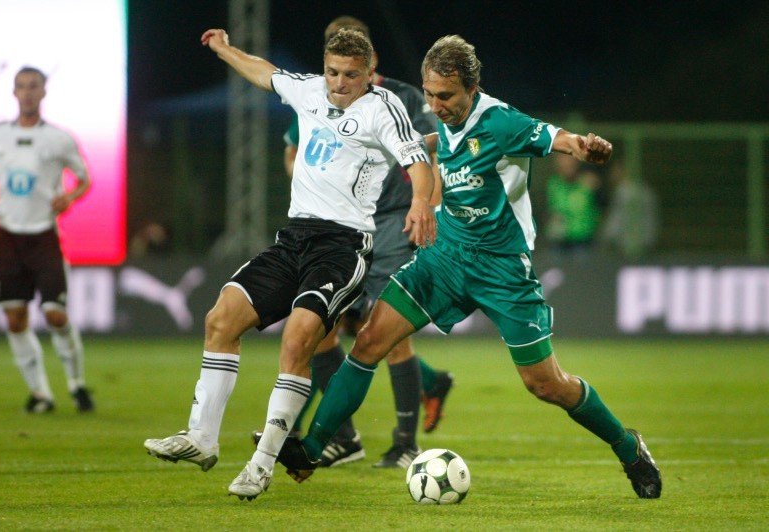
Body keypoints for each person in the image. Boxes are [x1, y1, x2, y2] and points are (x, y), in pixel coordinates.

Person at [277, 35, 662, 500]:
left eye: (446, 96)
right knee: (369, 341)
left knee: (545, 384)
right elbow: (443, 144)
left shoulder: (501, 121)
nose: (435, 104)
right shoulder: (442, 123)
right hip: (445, 258)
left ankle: (628, 446)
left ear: (472, 88)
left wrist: (584, 147)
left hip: (502, 269)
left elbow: (557, 138)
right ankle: (312, 449)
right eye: (429, 94)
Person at [144, 27, 437, 501]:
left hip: (342, 247)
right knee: (221, 319)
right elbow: (265, 74)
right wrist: (224, 50)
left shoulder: (383, 109)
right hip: (294, 238)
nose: (340, 83)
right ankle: (201, 438)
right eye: (333, 72)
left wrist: (420, 203)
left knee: (299, 339)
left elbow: (418, 161)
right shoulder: (309, 90)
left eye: (351, 75)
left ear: (368, 74)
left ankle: (263, 465)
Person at [266, 15, 454, 471]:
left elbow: (432, 155)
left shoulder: (406, 98)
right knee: (327, 329)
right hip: (341, 227)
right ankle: (345, 436)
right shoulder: (319, 97)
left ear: (370, 60)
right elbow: (294, 149)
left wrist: (428, 206)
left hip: (393, 223)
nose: (343, 74)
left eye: (354, 63)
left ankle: (404, 441)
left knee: (384, 327)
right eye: (335, 63)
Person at [0, 66, 95, 414]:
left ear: (43, 92)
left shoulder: (59, 138)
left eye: (33, 86)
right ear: (13, 92)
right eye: (21, 86)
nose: (26, 92)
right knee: (15, 319)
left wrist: (69, 197)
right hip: (8, 235)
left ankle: (76, 384)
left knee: (55, 314)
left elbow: (84, 179)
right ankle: (41, 394)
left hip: (43, 236)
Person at [544, 153, 604, 262]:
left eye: (569, 160)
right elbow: (552, 210)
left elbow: (601, 207)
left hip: (583, 240)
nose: (566, 164)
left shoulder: (588, 183)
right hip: (559, 241)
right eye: (562, 160)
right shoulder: (553, 184)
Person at [599, 158, 660, 258]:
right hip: (646, 244)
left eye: (614, 170)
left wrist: (605, 240)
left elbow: (615, 222)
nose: (611, 174)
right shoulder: (646, 191)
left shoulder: (623, 192)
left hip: (626, 247)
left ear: (622, 170)